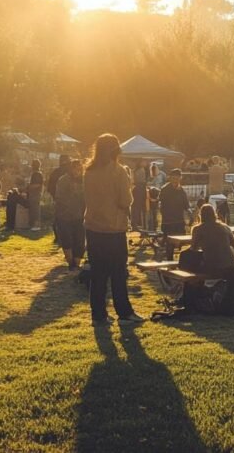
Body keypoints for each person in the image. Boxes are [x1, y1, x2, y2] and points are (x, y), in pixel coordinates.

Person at [83, 134, 143, 325]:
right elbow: (125, 200)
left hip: (93, 227)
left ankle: (98, 315)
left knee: (98, 273)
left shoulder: (89, 171)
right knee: (118, 273)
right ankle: (124, 313)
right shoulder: (118, 172)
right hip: (114, 228)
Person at [189, 203, 234, 307]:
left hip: (213, 266)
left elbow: (193, 249)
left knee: (191, 269)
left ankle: (194, 296)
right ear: (214, 214)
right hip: (231, 266)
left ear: (201, 215)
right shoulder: (225, 227)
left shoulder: (198, 229)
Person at [54, 159, 86, 270]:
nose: (78, 171)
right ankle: (71, 262)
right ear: (71, 168)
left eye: (80, 168)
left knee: (80, 240)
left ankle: (76, 263)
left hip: (80, 215)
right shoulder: (63, 180)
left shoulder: (84, 181)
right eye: (75, 168)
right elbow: (59, 197)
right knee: (67, 240)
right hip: (65, 215)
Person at [159, 169, 191, 237]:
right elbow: (162, 203)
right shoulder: (165, 189)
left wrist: (188, 210)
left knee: (180, 238)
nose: (176, 180)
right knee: (168, 239)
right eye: (174, 178)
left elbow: (186, 204)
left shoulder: (182, 190)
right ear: (170, 178)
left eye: (177, 178)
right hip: (168, 220)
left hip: (179, 220)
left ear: (180, 178)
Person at [46, 155, 71, 242]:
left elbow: (49, 187)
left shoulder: (55, 172)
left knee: (58, 218)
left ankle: (58, 237)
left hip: (58, 199)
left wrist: (54, 196)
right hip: (71, 200)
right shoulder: (71, 171)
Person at [27, 159, 45, 231]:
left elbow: (38, 184)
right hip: (36, 194)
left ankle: (36, 225)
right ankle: (33, 225)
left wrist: (29, 187)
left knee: (35, 210)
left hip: (35, 194)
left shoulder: (36, 174)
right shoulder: (38, 174)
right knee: (34, 209)